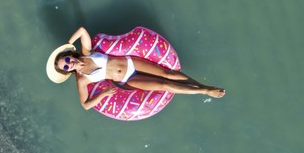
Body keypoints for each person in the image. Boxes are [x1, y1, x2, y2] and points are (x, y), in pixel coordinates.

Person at [46, 27, 225, 110]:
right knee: (163, 85)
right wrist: (102, 95)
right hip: (127, 79)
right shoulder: (82, 79)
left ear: (70, 55)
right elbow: (85, 105)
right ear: (68, 71)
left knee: (169, 74)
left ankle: (203, 86)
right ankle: (204, 90)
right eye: (67, 66)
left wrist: (68, 44)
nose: (70, 63)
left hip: (131, 62)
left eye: (67, 59)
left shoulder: (86, 52)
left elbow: (83, 31)